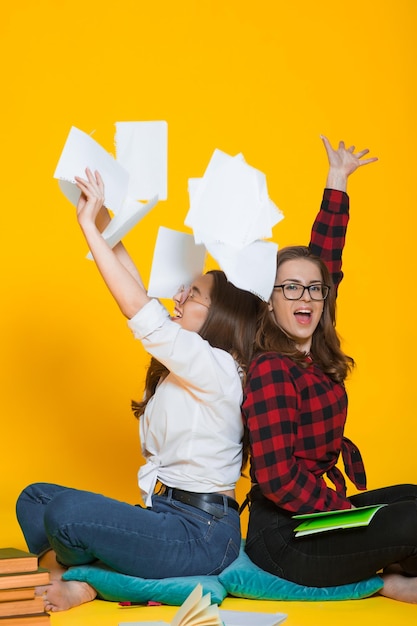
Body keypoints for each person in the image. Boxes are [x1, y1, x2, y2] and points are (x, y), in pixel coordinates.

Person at [16, 167, 264, 612]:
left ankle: (78, 577)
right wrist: (106, 217)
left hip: (202, 534)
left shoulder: (220, 369)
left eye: (195, 294)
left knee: (65, 515)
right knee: (35, 499)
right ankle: (87, 572)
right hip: (165, 516)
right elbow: (139, 293)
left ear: (222, 319)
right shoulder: (185, 366)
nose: (181, 295)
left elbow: (137, 307)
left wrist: (89, 229)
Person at [242, 136, 417, 604]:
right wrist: (346, 512)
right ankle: (390, 581)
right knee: (411, 521)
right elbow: (277, 478)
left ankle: (398, 568)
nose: (305, 297)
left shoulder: (313, 352)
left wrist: (336, 181)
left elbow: (326, 262)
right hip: (283, 540)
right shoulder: (272, 371)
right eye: (290, 288)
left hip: (316, 517)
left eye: (314, 290)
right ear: (270, 299)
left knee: (413, 497)